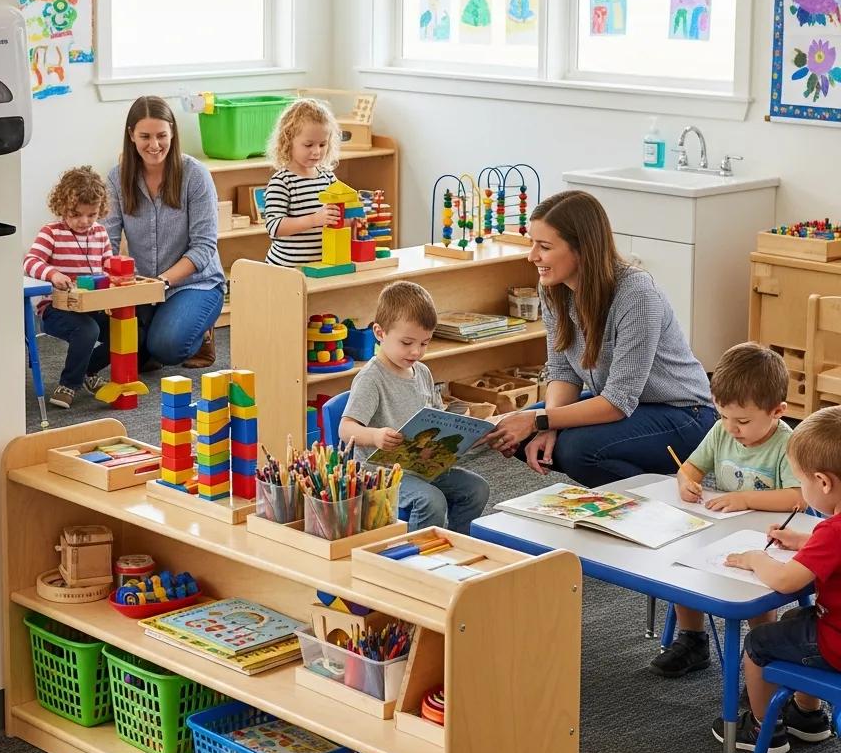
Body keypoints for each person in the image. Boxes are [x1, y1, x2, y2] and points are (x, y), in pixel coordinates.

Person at [482, 190, 717, 486]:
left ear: (582, 249)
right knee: (512, 431)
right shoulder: (553, 288)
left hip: (684, 415)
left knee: (578, 450)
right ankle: (621, 491)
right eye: (532, 244)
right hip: (621, 403)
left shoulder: (637, 295)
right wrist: (546, 426)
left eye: (544, 246)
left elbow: (618, 401)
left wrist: (542, 419)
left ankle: (664, 501)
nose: (532, 256)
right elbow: (563, 371)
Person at [651, 343, 802, 678]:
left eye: (743, 421)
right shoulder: (721, 432)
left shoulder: (788, 443)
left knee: (754, 585)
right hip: (720, 528)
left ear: (777, 411)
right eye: (724, 416)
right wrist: (686, 482)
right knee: (682, 561)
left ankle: (759, 657)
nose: (732, 428)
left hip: (769, 540)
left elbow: (797, 498)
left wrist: (746, 499)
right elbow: (688, 468)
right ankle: (692, 639)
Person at [710, 405, 841, 753]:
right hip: (835, 629)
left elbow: (785, 580)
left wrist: (756, 559)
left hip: (838, 645)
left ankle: (761, 728)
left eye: (802, 481)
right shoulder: (830, 534)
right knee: (797, 620)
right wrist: (804, 542)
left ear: (824, 482)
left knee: (759, 645)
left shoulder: (832, 532)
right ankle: (808, 717)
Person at [339, 281, 490, 533]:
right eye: (407, 343)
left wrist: (462, 431)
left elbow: (435, 419)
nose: (416, 351)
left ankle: (456, 543)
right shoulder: (371, 378)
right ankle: (417, 559)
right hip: (380, 473)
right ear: (380, 332)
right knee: (430, 500)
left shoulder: (422, 372)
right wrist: (376, 436)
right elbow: (346, 428)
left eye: (424, 343)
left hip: (423, 465)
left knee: (476, 489)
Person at [102, 96, 224, 371]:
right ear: (131, 135)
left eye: (161, 136)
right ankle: (156, 329)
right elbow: (105, 242)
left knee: (166, 347)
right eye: (145, 136)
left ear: (172, 134)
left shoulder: (195, 175)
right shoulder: (116, 178)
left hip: (195, 284)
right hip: (143, 288)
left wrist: (162, 282)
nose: (154, 145)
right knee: (119, 348)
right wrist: (110, 283)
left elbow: (204, 248)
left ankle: (201, 331)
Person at [24, 166, 113, 409]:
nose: (84, 221)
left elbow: (108, 265)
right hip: (55, 309)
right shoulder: (51, 233)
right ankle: (69, 384)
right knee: (88, 331)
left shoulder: (101, 234)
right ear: (62, 206)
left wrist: (116, 276)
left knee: (127, 331)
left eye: (92, 214)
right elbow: (30, 262)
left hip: (92, 305)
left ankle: (88, 371)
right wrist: (53, 273)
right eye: (76, 214)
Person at [263, 98, 343, 267]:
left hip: (321, 266)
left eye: (323, 144)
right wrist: (314, 220)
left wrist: (355, 219)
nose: (316, 151)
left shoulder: (328, 178)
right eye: (308, 145)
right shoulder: (281, 182)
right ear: (288, 141)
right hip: (285, 270)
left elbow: (336, 217)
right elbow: (275, 227)